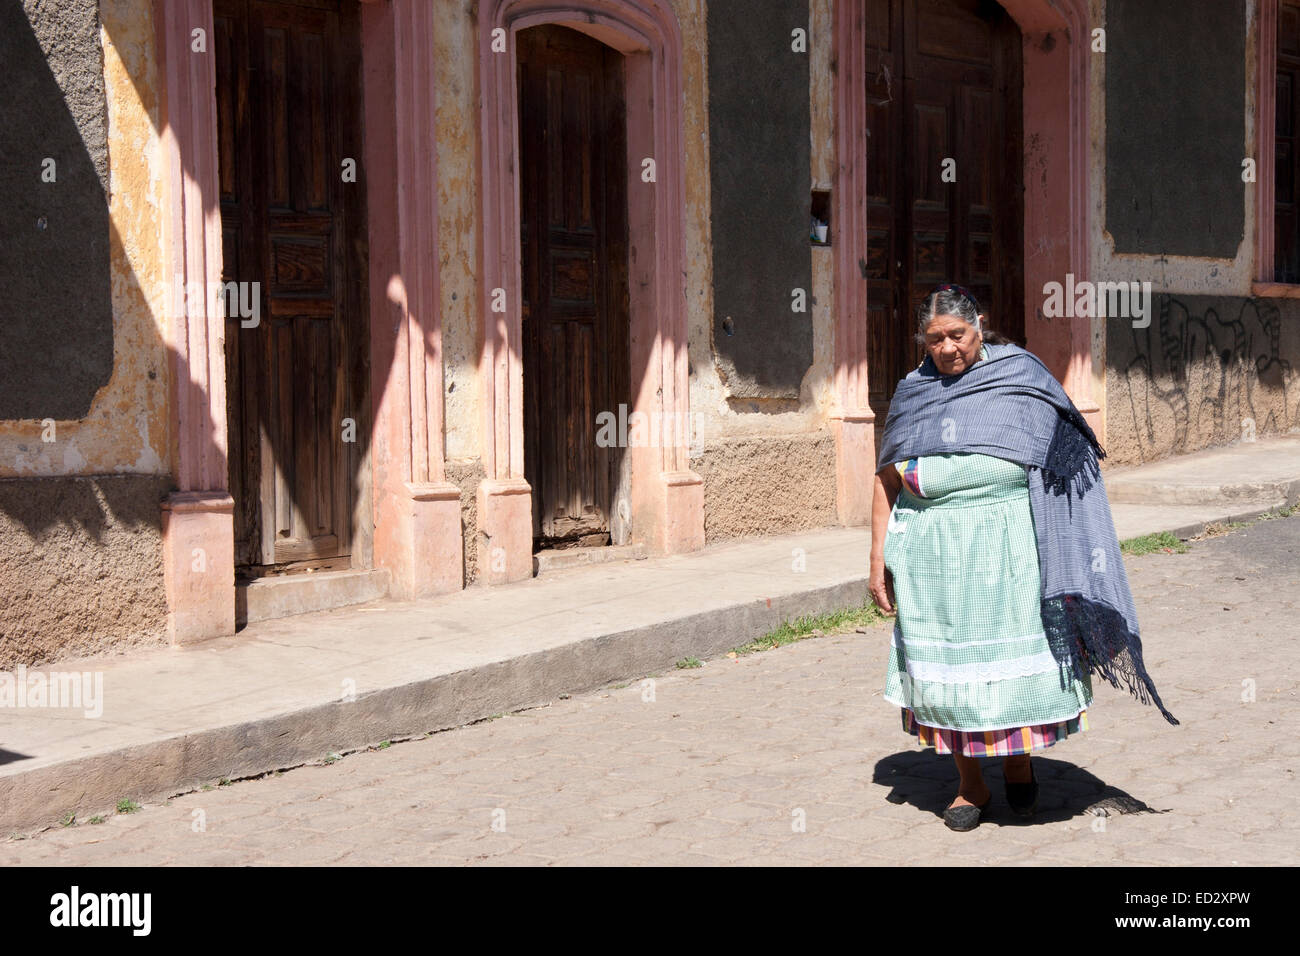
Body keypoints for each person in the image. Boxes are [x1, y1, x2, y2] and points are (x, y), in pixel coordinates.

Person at [869, 283, 1178, 832]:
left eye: (958, 335)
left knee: (1011, 667)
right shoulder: (913, 391)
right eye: (935, 338)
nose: (947, 349)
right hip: (930, 560)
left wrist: (1065, 537)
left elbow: (1068, 445)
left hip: (1010, 551)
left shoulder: (1018, 379)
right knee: (949, 671)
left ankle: (1018, 763)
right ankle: (970, 785)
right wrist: (878, 556)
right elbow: (888, 474)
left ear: (980, 326)